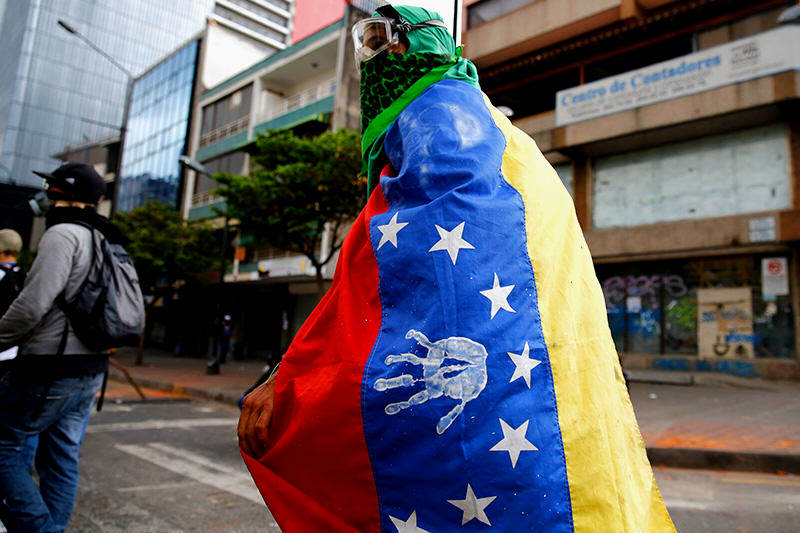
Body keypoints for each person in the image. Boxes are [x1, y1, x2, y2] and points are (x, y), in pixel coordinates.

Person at [239, 5, 675, 532]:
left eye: (386, 43)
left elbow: (388, 282)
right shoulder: (502, 135)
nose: (374, 60)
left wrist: (288, 379)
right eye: (366, 43)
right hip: (551, 414)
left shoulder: (437, 121)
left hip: (493, 419)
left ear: (416, 49)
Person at [0, 162, 123, 533]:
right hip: (91, 368)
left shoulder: (63, 234)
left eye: (51, 190)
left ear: (62, 195)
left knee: (3, 445)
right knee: (61, 458)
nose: (46, 197)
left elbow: (32, 305)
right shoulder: (107, 239)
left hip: (52, 365)